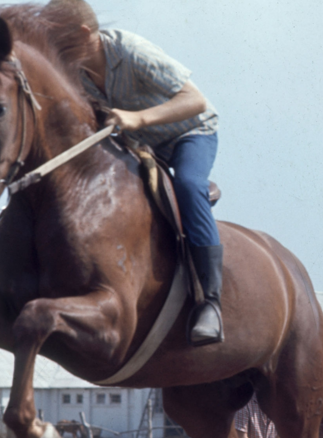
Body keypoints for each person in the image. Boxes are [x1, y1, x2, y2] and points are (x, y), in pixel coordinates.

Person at [47, 0, 223, 346]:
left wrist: (137, 118)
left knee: (188, 185)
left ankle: (211, 303)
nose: (53, 50)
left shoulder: (131, 51)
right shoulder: (74, 73)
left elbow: (196, 101)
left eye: (58, 41)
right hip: (142, 145)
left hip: (189, 134)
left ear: (84, 35)